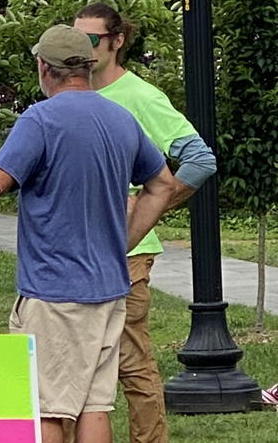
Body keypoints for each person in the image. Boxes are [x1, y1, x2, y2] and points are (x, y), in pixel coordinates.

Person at [0, 25, 177, 443]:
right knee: (95, 405)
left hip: (54, 292)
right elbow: (163, 185)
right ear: (87, 66)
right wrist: (123, 243)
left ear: (44, 67)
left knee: (46, 408)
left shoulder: (40, 120)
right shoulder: (121, 119)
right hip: (111, 288)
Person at [74, 5, 217, 442]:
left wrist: (148, 207)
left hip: (127, 253)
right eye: (76, 40)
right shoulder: (69, 92)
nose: (84, 49)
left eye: (92, 41)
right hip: (74, 253)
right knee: (75, 365)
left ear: (117, 41)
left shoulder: (140, 97)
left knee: (131, 363)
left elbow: (199, 158)